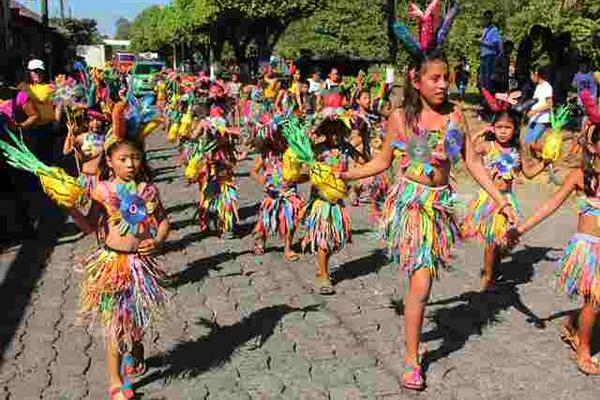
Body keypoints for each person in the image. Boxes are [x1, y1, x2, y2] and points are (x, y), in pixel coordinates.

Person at [340, 27, 516, 390]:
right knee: (420, 283)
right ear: (415, 80)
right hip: (411, 208)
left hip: (438, 210)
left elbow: (471, 163)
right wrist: (347, 173)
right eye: (434, 78)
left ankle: (413, 333)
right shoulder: (402, 119)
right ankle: (411, 359)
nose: (442, 85)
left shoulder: (454, 116)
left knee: (423, 283)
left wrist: (501, 201)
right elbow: (382, 161)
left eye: (446, 79)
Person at [69, 136, 170, 399]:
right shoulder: (102, 190)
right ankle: (115, 381)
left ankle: (135, 353)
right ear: (110, 163)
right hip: (112, 265)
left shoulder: (148, 191)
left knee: (135, 322)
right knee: (114, 324)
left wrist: (157, 240)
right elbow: (91, 226)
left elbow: (163, 223)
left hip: (139, 266)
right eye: (123, 159)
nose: (130, 164)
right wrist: (70, 209)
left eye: (135, 158)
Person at [507, 124, 600, 375]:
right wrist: (521, 229)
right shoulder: (581, 176)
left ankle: (572, 322)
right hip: (589, 250)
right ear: (592, 147)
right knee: (595, 300)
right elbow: (550, 205)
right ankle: (583, 350)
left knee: (596, 302)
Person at [462, 110, 545, 291]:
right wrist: (478, 133)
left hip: (507, 201)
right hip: (489, 200)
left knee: (503, 241)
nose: (502, 131)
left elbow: (529, 173)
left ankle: (494, 270)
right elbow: (468, 152)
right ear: (493, 127)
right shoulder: (487, 146)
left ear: (514, 129)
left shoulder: (517, 150)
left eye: (507, 127)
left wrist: (545, 163)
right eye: (499, 127)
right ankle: (488, 277)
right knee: (492, 241)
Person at [301, 119, 353, 295]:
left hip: (338, 201)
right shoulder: (317, 150)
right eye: (332, 132)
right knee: (324, 239)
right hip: (321, 201)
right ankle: (323, 276)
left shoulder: (346, 149)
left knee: (335, 241)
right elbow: (304, 167)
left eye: (339, 131)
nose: (336, 136)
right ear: (325, 132)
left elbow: (363, 160)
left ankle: (321, 267)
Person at [251, 132, 303, 262]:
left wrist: (295, 179)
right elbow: (253, 171)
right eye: (275, 139)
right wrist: (261, 180)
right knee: (265, 221)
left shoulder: (292, 153)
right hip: (272, 195)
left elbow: (305, 172)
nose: (278, 142)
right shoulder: (266, 155)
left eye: (281, 138)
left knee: (291, 221)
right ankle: (260, 241)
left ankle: (287, 248)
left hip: (289, 194)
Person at [524, 65, 553, 151]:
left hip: (541, 120)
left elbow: (549, 104)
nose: (531, 77)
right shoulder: (538, 87)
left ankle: (549, 154)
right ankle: (535, 162)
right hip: (534, 119)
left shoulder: (547, 87)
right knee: (527, 143)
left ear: (536, 74)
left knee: (532, 144)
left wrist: (535, 111)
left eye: (531, 74)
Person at [478, 10, 503, 93]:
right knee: (483, 78)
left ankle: (490, 97)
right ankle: (485, 96)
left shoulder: (494, 30)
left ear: (491, 19)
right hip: (483, 56)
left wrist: (483, 43)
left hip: (490, 56)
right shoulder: (485, 30)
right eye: (485, 18)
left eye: (488, 18)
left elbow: (495, 46)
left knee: (488, 78)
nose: (486, 20)